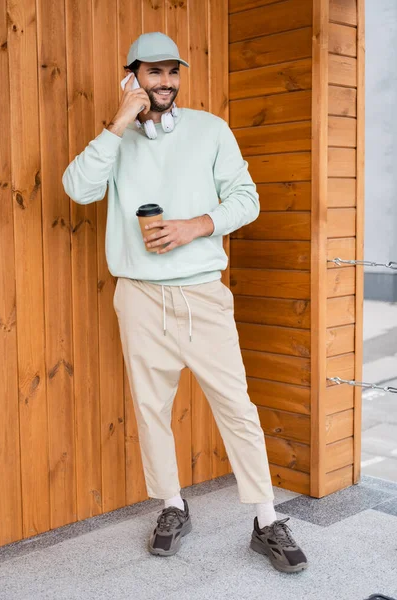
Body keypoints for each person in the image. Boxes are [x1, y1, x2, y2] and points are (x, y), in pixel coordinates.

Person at [62, 31, 308, 574]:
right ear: (133, 77)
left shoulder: (210, 130)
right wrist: (120, 121)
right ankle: (172, 506)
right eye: (153, 73)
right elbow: (78, 188)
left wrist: (197, 225)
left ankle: (266, 519)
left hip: (201, 292)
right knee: (152, 409)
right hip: (139, 296)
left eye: (172, 72)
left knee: (236, 407)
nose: (165, 82)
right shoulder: (116, 138)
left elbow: (247, 199)